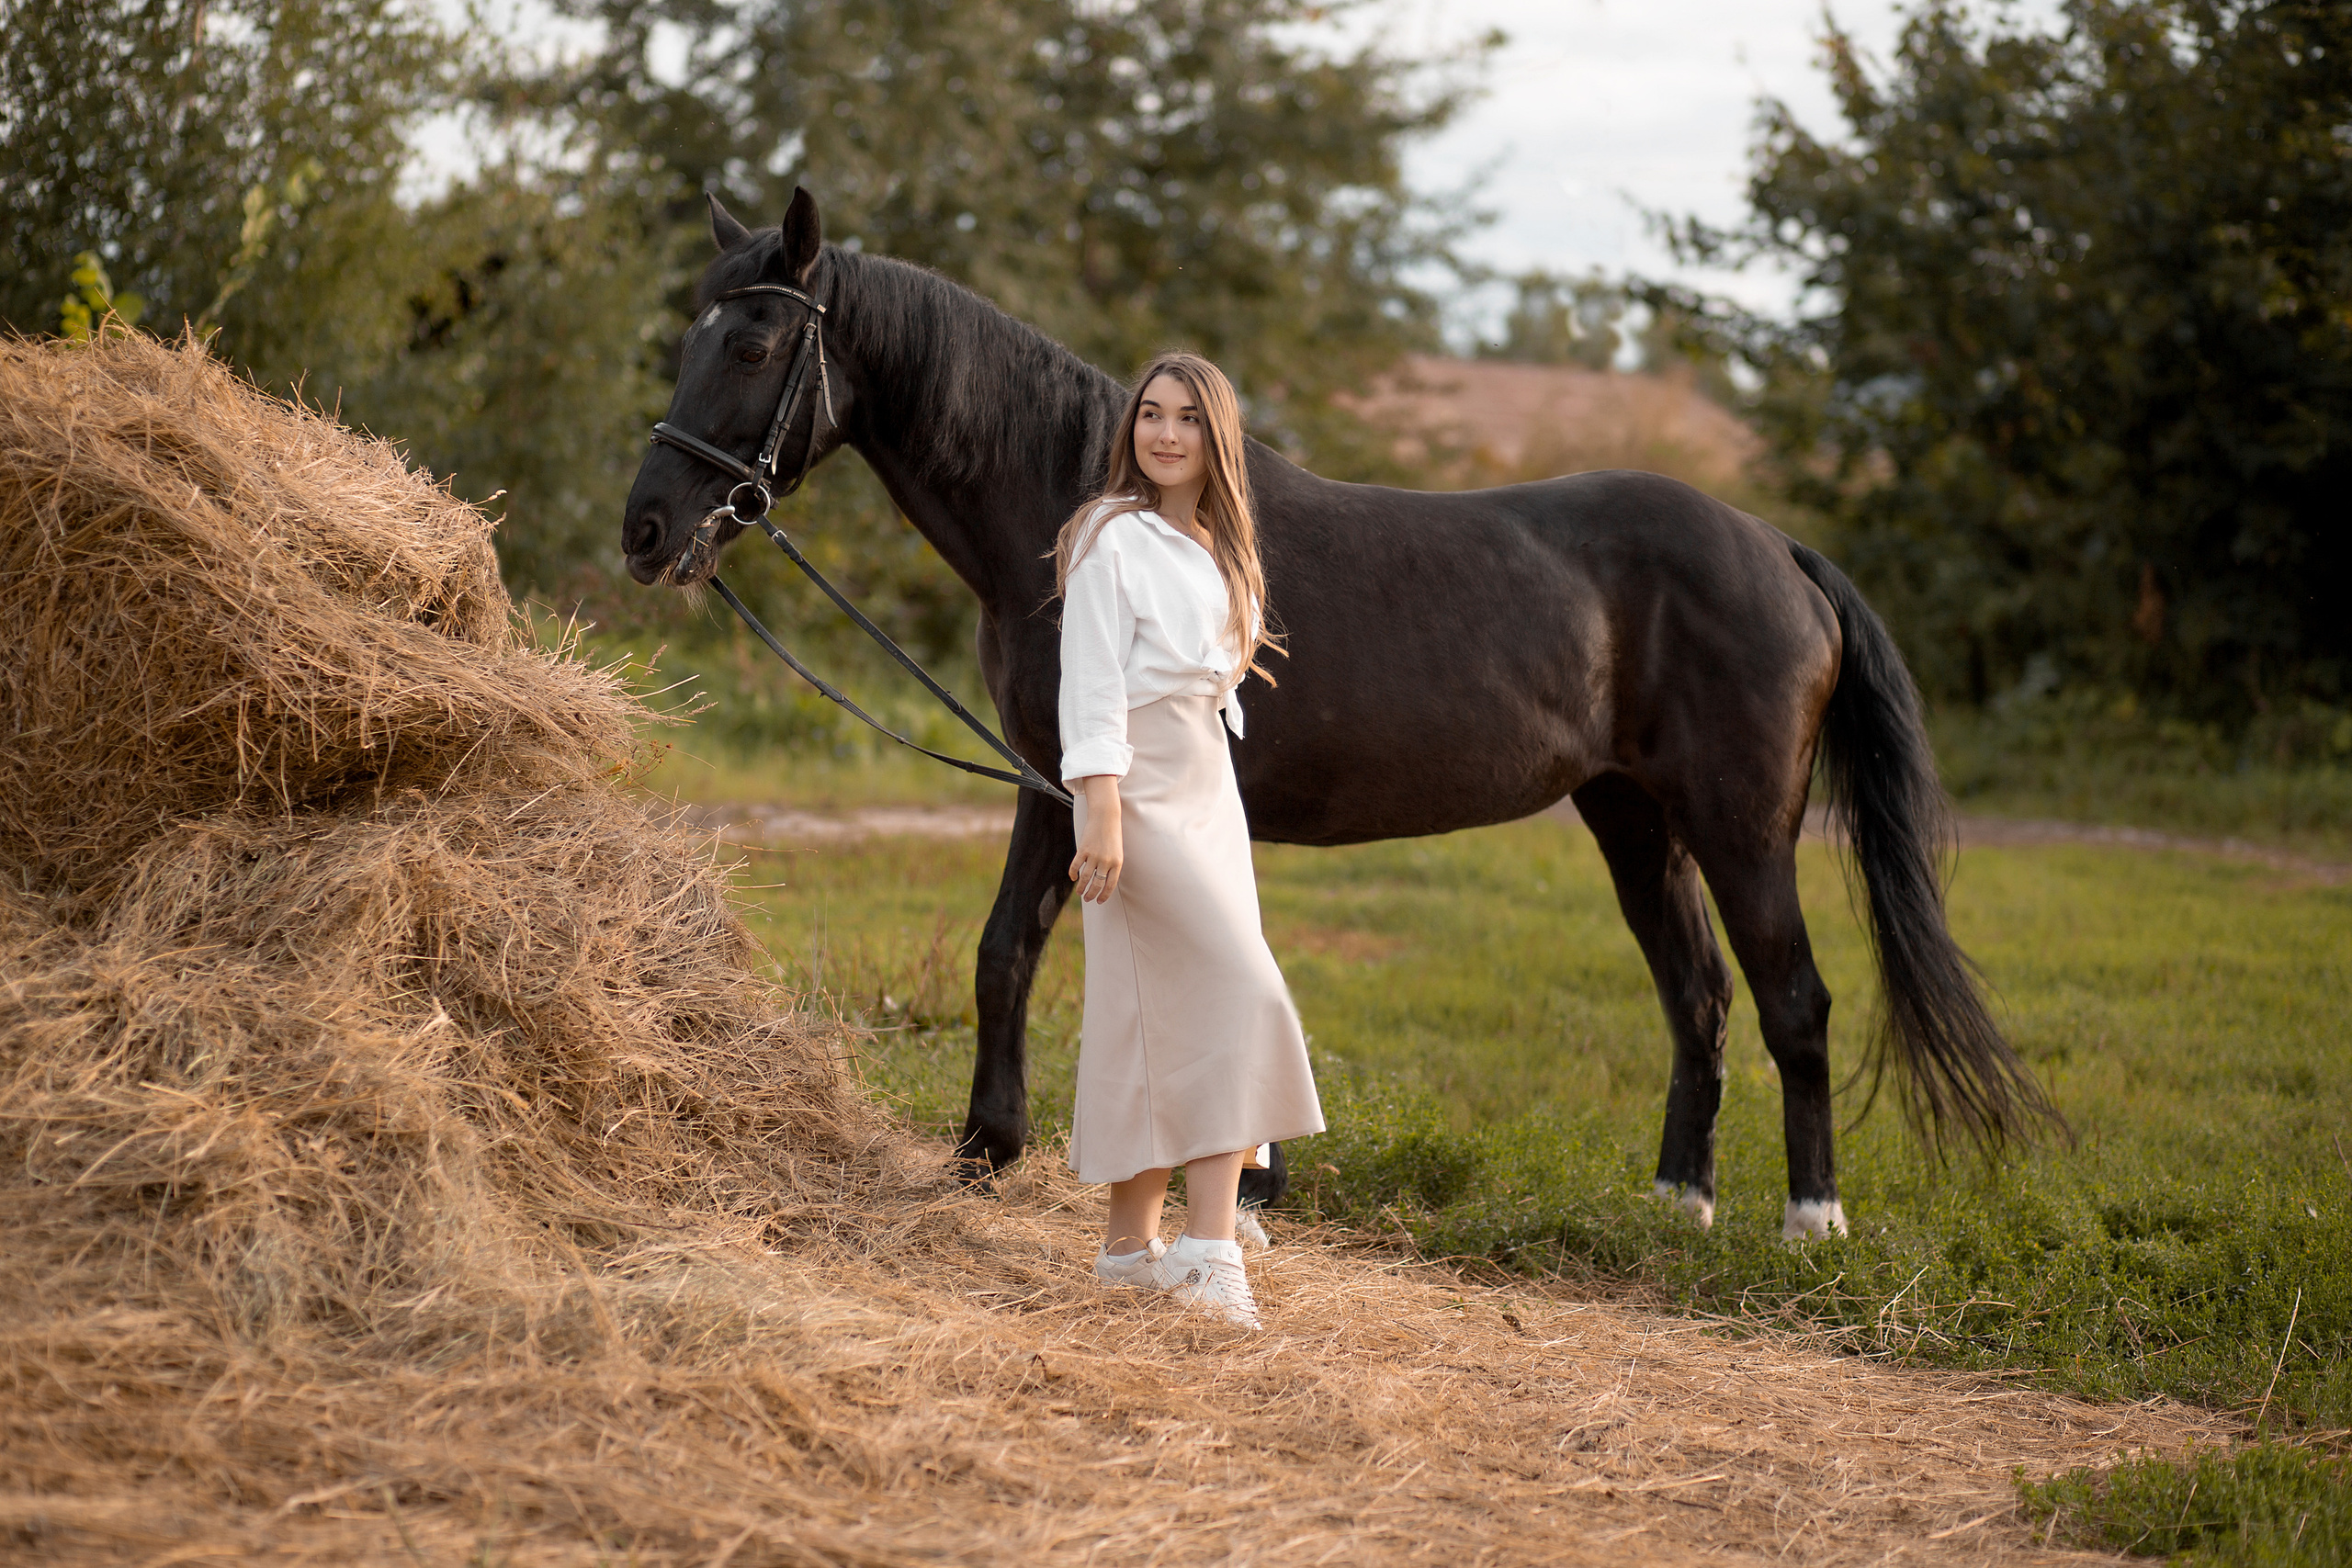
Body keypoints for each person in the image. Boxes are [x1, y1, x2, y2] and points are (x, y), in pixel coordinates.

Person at [1055, 350, 1325, 1331]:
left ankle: (1130, 1251)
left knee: (1153, 1017)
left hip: (1209, 788)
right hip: (1136, 786)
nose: (1163, 435)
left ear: (1218, 437)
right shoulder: (1105, 535)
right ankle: (1213, 1253)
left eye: (1186, 420)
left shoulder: (1225, 548)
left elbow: (1216, 691)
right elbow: (1088, 679)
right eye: (1150, 415)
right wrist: (1101, 806)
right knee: (1240, 993)